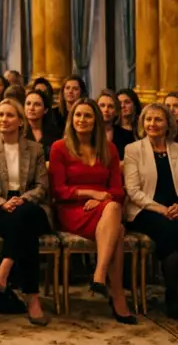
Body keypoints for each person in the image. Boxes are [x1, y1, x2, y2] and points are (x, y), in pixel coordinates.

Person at [49, 98, 135, 324]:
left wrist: (103, 201)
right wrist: (91, 194)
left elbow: (117, 189)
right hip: (72, 210)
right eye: (78, 115)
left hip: (105, 208)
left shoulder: (109, 149)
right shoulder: (59, 147)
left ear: (96, 120)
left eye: (87, 115)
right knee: (118, 229)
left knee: (115, 215)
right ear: (71, 119)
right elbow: (59, 191)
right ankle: (117, 296)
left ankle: (100, 276)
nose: (82, 120)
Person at [0, 99, 51, 325]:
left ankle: (5, 267)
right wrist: (2, 203)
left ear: (20, 121)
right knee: (24, 227)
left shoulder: (35, 149)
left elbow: (41, 186)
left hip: (30, 206)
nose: (4, 120)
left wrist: (22, 200)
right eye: (0, 115)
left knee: (24, 215)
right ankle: (33, 298)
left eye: (9, 115)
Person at [122, 103, 178, 320]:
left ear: (168, 124)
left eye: (158, 120)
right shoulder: (133, 150)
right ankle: (172, 297)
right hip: (145, 210)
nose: (152, 124)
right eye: (148, 119)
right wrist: (162, 210)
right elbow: (134, 192)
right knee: (172, 234)